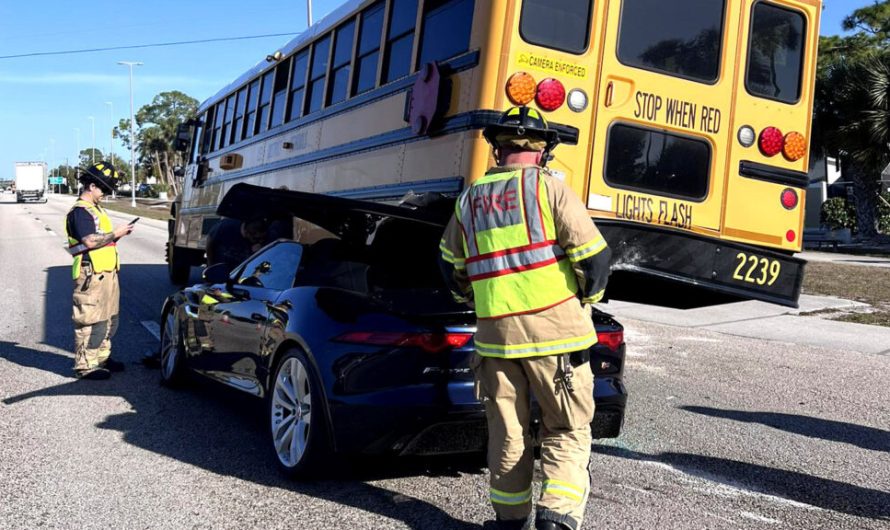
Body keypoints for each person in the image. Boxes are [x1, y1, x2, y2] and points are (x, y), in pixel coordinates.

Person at [439, 107, 612, 530]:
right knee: (566, 428)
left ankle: (509, 519)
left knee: (508, 432)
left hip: (496, 339)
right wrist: (587, 299)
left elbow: (449, 265)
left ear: (498, 151)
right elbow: (594, 258)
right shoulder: (550, 191)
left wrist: (477, 298)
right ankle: (556, 516)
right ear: (542, 151)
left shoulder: (470, 200)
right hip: (557, 339)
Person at [65, 162, 134, 380]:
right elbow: (90, 241)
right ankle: (85, 365)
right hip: (91, 273)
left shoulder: (96, 209)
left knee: (109, 319)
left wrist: (118, 236)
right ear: (92, 186)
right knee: (90, 320)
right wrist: (116, 233)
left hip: (106, 272)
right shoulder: (80, 212)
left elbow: (100, 241)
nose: (104, 193)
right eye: (103, 189)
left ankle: (102, 358)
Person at [205, 216, 270, 272]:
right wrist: (210, 265)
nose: (260, 241)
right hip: (219, 267)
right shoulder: (225, 227)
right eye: (257, 239)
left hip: (238, 272)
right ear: (247, 233)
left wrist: (258, 253)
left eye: (263, 238)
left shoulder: (259, 241)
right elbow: (210, 241)